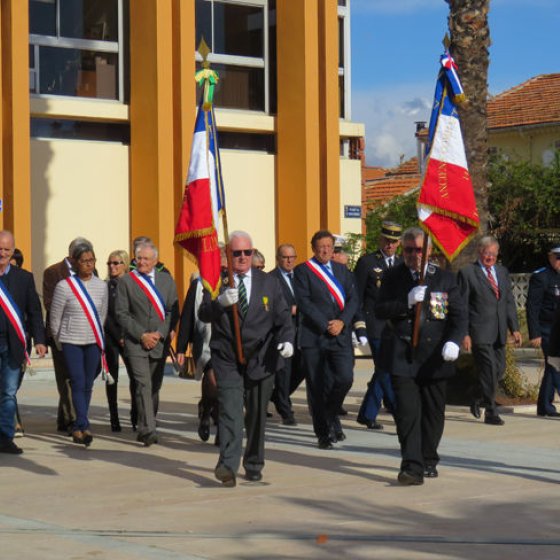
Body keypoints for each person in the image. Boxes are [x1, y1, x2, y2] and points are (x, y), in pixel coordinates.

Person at [198, 231, 293, 487]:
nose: (241, 258)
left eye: (246, 253)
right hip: (227, 356)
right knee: (230, 412)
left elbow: (283, 317)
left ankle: (253, 462)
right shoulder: (216, 282)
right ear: (227, 255)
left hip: (262, 357)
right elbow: (203, 313)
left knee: (256, 415)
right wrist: (219, 302)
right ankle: (227, 466)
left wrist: (287, 340)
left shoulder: (269, 282)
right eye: (236, 253)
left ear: (252, 253)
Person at [375, 227, 466, 485]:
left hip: (434, 355)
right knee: (406, 413)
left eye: (419, 249)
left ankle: (428, 458)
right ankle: (411, 467)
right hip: (403, 354)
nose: (414, 255)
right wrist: (405, 301)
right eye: (409, 250)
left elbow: (458, 317)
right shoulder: (393, 277)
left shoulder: (445, 279)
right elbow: (379, 310)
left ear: (429, 251)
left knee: (433, 413)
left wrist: (454, 341)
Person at [293, 230, 359, 449]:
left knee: (345, 378)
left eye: (329, 246)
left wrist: (341, 322)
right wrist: (325, 324)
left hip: (340, 335)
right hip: (315, 337)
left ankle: (330, 414)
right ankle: (323, 433)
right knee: (317, 386)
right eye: (321, 246)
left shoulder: (342, 270)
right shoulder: (303, 271)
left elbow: (353, 300)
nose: (325, 250)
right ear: (314, 248)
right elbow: (304, 302)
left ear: (333, 248)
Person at [115, 241, 178, 446]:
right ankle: (149, 429)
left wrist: (159, 333)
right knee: (143, 384)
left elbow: (172, 311)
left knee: (154, 387)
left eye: (146, 259)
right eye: (139, 258)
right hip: (136, 342)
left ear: (155, 261)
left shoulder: (167, 281)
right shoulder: (127, 282)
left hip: (159, 342)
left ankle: (144, 423)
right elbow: (121, 314)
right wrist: (142, 335)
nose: (142, 262)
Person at [457, 236, 522, 426]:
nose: (490, 257)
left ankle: (477, 395)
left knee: (499, 370)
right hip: (479, 331)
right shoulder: (468, 273)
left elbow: (508, 302)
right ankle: (491, 413)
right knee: (489, 369)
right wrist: (464, 333)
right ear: (479, 251)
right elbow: (462, 305)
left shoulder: (502, 272)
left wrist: (515, 329)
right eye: (487, 253)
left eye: (494, 253)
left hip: (499, 331)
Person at [50, 241, 108, 446]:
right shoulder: (64, 286)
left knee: (87, 383)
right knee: (77, 380)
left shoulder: (101, 286)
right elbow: (55, 317)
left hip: (92, 341)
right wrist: (59, 341)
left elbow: (102, 315)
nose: (89, 264)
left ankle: (79, 424)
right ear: (75, 263)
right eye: (84, 261)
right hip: (70, 341)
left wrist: (98, 337)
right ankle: (82, 423)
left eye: (92, 260)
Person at [0, 231, 47, 454]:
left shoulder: (23, 278)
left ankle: (5, 437)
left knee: (9, 391)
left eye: (7, 249)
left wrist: (40, 339)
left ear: (13, 251)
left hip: (13, 344)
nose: (2, 253)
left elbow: (34, 311)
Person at [354, 221, 402, 430]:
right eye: (387, 241)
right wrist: (359, 325)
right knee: (385, 369)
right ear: (380, 239)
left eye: (394, 242)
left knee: (384, 369)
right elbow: (356, 296)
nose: (390, 245)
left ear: (399, 243)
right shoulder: (367, 262)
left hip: (396, 327)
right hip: (375, 324)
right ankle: (399, 412)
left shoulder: (402, 263)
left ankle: (367, 413)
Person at [43, 237, 93, 433]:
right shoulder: (53, 272)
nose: (87, 262)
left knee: (81, 377)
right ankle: (74, 421)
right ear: (72, 257)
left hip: (87, 334)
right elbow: (50, 303)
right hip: (62, 333)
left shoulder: (90, 271)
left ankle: (66, 418)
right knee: (66, 378)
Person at [176, 272, 218, 443]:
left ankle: (222, 430)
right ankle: (206, 413)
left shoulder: (232, 280)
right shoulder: (199, 284)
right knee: (213, 381)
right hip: (206, 342)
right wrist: (181, 348)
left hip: (227, 343)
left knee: (223, 387)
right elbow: (186, 316)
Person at [526, 245, 560, 417]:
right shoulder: (541, 277)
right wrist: (535, 333)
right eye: (558, 257)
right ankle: (546, 405)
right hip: (547, 329)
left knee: (552, 366)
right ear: (550, 257)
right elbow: (532, 306)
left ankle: (544, 405)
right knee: (555, 364)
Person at [269, 243, 299, 425]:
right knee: (284, 373)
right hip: (282, 332)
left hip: (301, 331)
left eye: (292, 257)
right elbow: (270, 307)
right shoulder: (271, 279)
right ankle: (285, 410)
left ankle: (277, 396)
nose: (289, 261)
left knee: (301, 368)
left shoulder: (300, 277)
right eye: (285, 257)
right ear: (278, 259)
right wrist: (289, 310)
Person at [104, 249, 134, 431]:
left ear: (125, 264)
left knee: (135, 377)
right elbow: (105, 315)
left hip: (129, 335)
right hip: (110, 337)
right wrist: (118, 336)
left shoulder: (132, 285)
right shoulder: (105, 286)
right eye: (109, 263)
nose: (112, 267)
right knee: (112, 378)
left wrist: (126, 335)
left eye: (116, 263)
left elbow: (133, 313)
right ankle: (114, 417)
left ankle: (135, 414)